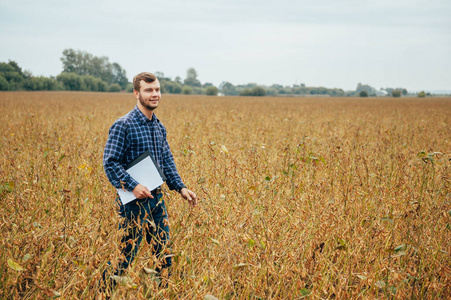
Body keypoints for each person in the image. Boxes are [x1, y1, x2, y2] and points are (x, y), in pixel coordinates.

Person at [101, 72, 197, 293]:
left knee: (164, 257)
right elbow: (110, 163)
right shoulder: (123, 125)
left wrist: (180, 187)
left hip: (156, 200)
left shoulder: (159, 127)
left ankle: (161, 295)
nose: (155, 94)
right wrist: (134, 185)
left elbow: (166, 161)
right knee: (123, 259)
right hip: (132, 204)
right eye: (148, 90)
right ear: (136, 93)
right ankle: (102, 294)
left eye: (157, 90)